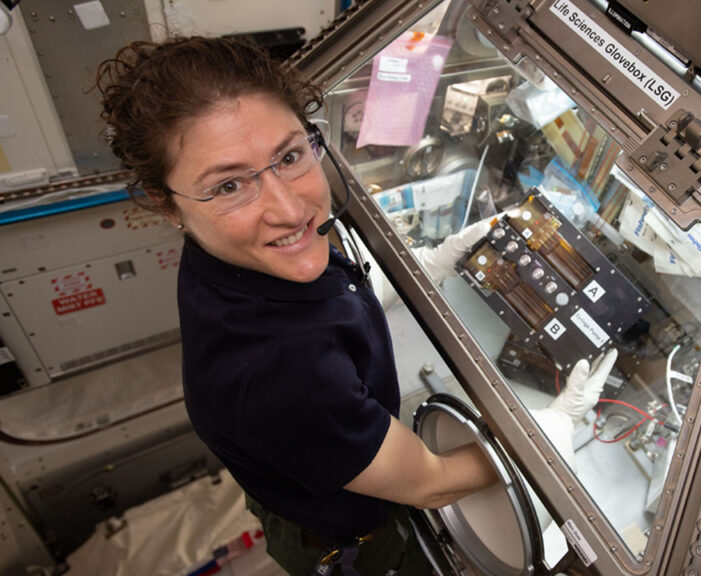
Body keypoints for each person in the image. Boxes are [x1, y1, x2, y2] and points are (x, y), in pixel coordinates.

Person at [94, 36, 617, 576]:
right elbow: (432, 481)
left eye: (289, 156)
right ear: (167, 204)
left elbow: (329, 296)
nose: (290, 208)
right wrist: (550, 430)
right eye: (229, 185)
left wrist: (431, 263)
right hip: (354, 543)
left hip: (300, 464)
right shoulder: (278, 374)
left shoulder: (234, 255)